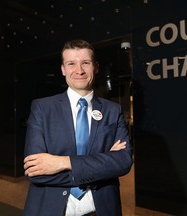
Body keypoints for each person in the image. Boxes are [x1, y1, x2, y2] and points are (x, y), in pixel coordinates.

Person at [23, 39, 133, 216]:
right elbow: (35, 172)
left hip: (100, 210)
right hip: (51, 209)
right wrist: (104, 162)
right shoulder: (42, 108)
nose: (79, 70)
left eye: (85, 63)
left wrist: (62, 162)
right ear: (63, 69)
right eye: (71, 64)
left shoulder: (113, 110)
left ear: (95, 67)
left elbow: (123, 162)